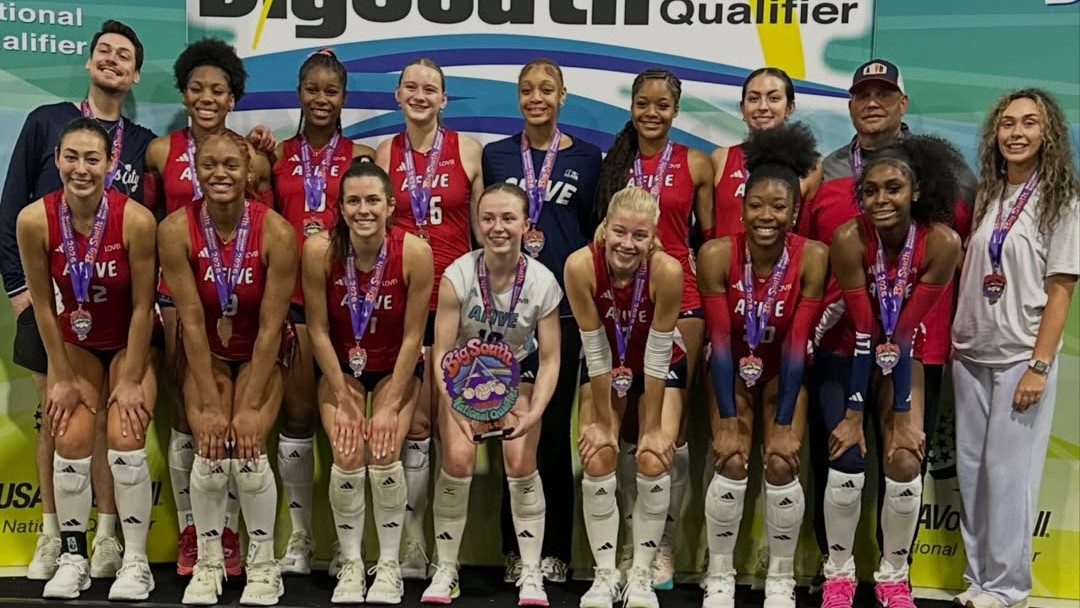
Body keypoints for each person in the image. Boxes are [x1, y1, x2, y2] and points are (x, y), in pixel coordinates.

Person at [800, 59, 976, 592]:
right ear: (850, 104)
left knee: (905, 452)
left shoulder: (947, 171)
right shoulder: (828, 170)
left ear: (903, 103)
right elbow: (806, 252)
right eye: (862, 94)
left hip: (917, 342)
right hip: (840, 341)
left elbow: (961, 247)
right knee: (839, 452)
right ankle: (833, 571)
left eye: (883, 94)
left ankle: (894, 577)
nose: (872, 103)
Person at [0, 20, 154, 580]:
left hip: (119, 310)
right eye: (103, 51)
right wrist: (23, 292)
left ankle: (111, 540)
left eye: (124, 55)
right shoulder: (46, 122)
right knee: (59, 419)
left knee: (119, 426)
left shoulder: (142, 143)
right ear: (89, 62)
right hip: (56, 310)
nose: (112, 60)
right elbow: (11, 206)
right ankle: (56, 538)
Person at [143, 36, 274, 577]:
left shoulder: (253, 155)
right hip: (180, 293)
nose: (206, 97)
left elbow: (262, 219)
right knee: (190, 412)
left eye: (217, 90)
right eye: (196, 88)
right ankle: (194, 531)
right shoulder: (159, 151)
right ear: (184, 92)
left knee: (237, 415)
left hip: (237, 292)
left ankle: (232, 532)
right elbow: (147, 221)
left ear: (232, 97)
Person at [951, 89, 1079, 608]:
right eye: (1007, 123)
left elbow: (1062, 289)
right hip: (970, 353)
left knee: (1009, 478)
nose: (1016, 132)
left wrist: (1039, 365)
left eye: (1029, 123)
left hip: (1020, 357)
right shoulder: (989, 194)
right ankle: (978, 578)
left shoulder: (1060, 201)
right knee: (972, 474)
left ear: (1048, 134)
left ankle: (1007, 586)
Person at [158, 131, 296, 607]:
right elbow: (192, 324)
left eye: (231, 166)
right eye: (209, 165)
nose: (220, 174)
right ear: (196, 170)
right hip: (208, 353)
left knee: (250, 448)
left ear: (249, 171)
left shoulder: (277, 232)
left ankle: (263, 564)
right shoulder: (174, 230)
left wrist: (249, 407)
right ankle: (209, 561)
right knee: (212, 448)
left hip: (261, 350)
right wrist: (213, 407)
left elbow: (271, 329)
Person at [481, 57, 603, 584]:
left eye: (546, 89)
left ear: (562, 96)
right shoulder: (496, 155)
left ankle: (555, 552)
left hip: (565, 311)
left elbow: (593, 233)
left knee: (551, 428)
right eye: (528, 89)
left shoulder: (588, 158)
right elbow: (486, 230)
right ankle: (514, 550)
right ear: (518, 97)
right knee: (510, 427)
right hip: (507, 313)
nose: (537, 98)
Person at [697, 122, 826, 608]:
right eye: (755, 205)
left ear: (795, 211)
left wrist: (786, 423)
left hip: (782, 369)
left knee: (780, 458)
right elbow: (719, 341)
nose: (766, 216)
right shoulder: (716, 254)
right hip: (731, 366)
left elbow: (796, 344)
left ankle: (780, 576)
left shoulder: (813, 256)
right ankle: (719, 573)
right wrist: (729, 420)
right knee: (730, 456)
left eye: (778, 206)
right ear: (742, 207)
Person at [594, 68, 712, 589]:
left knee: (669, 428)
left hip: (680, 301)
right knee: (623, 427)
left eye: (662, 105)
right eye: (643, 102)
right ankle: (629, 539)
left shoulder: (696, 163)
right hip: (622, 304)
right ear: (632, 105)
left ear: (676, 110)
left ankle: (662, 543)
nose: (652, 112)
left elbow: (708, 240)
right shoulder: (613, 162)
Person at [421, 183, 562, 606]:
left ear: (526, 225)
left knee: (519, 461)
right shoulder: (458, 275)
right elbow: (441, 352)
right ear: (477, 223)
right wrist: (455, 407)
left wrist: (534, 413)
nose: (497, 227)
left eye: (508, 218)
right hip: (463, 374)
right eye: (488, 218)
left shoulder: (542, 281)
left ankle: (531, 571)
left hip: (518, 374)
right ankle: (446, 567)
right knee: (458, 459)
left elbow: (551, 358)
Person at [302, 159, 433, 604]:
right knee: (346, 450)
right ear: (340, 208)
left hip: (396, 364)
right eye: (354, 201)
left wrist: (391, 405)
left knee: (383, 450)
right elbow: (317, 329)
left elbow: (415, 336)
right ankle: (352, 563)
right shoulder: (319, 250)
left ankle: (390, 565)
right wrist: (344, 398)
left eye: (373, 200)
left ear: (390, 206)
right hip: (341, 366)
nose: (363, 210)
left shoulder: (414, 252)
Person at [374, 57, 484, 580]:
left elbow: (484, 234)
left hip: (457, 304)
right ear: (398, 95)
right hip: (404, 304)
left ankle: (448, 555)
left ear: (444, 99)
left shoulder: (469, 149)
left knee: (452, 428)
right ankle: (415, 545)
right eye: (411, 87)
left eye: (430, 88)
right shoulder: (383, 153)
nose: (420, 95)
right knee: (417, 425)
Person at [271, 48, 376, 576]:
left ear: (343, 98)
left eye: (330, 91)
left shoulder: (363, 155)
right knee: (297, 417)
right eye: (312, 89)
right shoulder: (275, 155)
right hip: (292, 303)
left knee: (345, 427)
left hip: (346, 307)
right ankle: (300, 538)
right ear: (299, 93)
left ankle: (343, 543)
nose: (321, 99)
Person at [566, 186, 683, 608]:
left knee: (652, 456)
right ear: (605, 228)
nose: (627, 244)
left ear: (652, 238)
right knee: (598, 453)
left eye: (639, 235)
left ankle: (641, 576)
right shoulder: (580, 265)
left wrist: (652, 429)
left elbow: (658, 354)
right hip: (606, 363)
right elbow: (595, 349)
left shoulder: (667, 271)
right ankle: (604, 575)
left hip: (657, 365)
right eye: (620, 232)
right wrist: (602, 423)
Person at [710, 67, 822, 239]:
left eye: (774, 98)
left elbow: (804, 236)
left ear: (789, 108)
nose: (763, 107)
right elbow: (706, 232)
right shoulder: (721, 158)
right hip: (726, 256)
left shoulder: (810, 165)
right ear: (743, 108)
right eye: (753, 99)